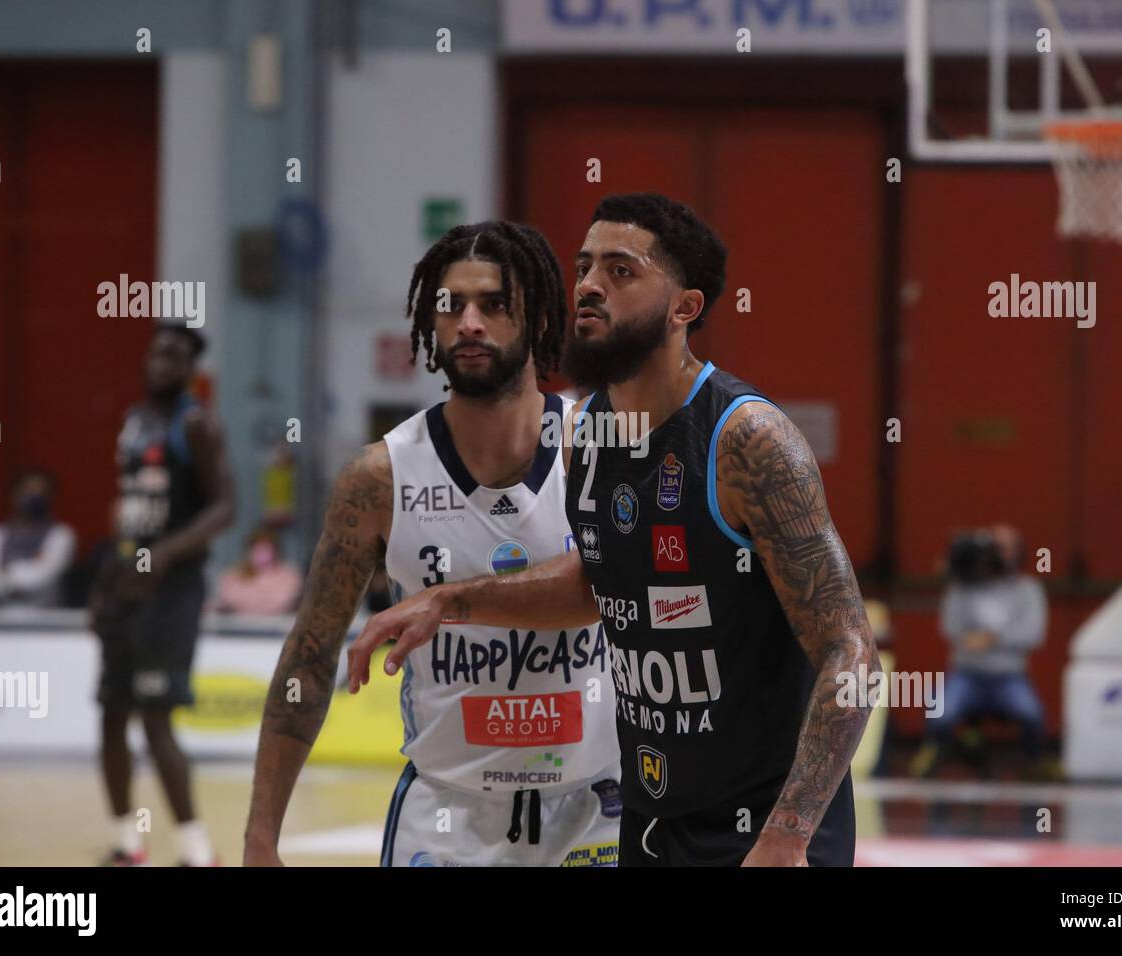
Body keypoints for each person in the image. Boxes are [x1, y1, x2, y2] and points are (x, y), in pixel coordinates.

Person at [349, 193, 878, 867]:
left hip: (766, 826)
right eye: (585, 267)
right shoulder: (589, 433)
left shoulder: (746, 441)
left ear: (686, 307)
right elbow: (602, 582)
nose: (590, 287)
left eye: (621, 271)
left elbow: (852, 652)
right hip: (652, 815)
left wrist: (790, 832)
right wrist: (451, 600)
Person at [244, 221, 620, 868]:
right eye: (451, 306)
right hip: (447, 819)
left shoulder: (602, 443)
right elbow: (310, 654)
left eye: (494, 305)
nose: (469, 322)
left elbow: (607, 587)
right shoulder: (378, 478)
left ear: (535, 322)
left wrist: (450, 601)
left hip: (596, 814)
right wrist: (260, 836)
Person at [90, 324, 235, 866]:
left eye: (175, 355)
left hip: (171, 591)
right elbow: (124, 508)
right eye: (156, 352)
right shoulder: (132, 422)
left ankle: (197, 850)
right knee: (109, 714)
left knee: (156, 719)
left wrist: (166, 553)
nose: (161, 362)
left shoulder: (195, 422)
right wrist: (105, 585)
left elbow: (226, 507)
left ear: (191, 367)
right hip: (125, 586)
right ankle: (126, 842)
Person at [911, 524, 1051, 778]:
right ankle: (937, 750)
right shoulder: (962, 587)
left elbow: (1033, 634)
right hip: (967, 674)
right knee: (940, 711)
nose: (999, 554)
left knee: (1032, 714)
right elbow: (952, 630)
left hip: (1009, 676)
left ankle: (1035, 762)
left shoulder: (1028, 590)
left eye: (1005, 548)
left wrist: (992, 639)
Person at [0, 468, 76, 606]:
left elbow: (44, 577)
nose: (34, 497)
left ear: (51, 496)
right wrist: (13, 580)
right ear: (14, 495)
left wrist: (6, 574)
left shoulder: (62, 534)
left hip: (44, 617)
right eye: (28, 491)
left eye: (40, 492)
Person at [213, 527, 302, 615]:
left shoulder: (289, 574)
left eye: (266, 548)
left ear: (276, 551)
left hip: (276, 625)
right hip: (239, 625)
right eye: (257, 548)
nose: (261, 552)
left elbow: (283, 602)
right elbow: (229, 600)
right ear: (248, 550)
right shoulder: (233, 574)